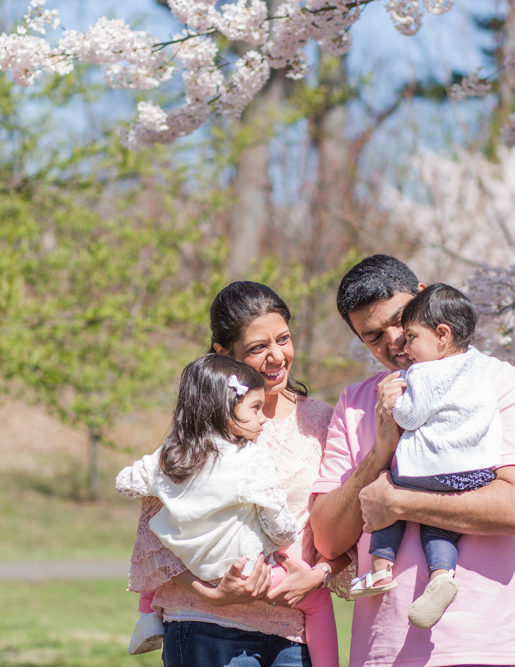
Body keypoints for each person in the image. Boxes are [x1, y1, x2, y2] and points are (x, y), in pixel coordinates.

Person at [310, 255, 515, 666]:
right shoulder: (354, 403)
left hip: (485, 651)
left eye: (400, 320)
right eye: (373, 336)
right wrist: (382, 448)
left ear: (424, 297)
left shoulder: (499, 383)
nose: (394, 341)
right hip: (381, 655)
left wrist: (399, 502)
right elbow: (328, 538)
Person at [125, 281, 348, 667]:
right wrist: (214, 594)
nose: (277, 356)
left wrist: (320, 574)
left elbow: (348, 519)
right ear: (223, 354)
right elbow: (157, 534)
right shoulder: (202, 428)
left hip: (295, 633)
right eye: (258, 347)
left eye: (283, 339)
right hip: (206, 625)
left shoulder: (322, 420)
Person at [349, 284, 504, 630]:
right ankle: (441, 575)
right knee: (439, 523)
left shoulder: (422, 371)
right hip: (475, 472)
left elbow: (410, 417)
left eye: (409, 334)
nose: (401, 345)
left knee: (390, 494)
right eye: (375, 337)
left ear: (442, 334)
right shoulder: (481, 366)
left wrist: (393, 404)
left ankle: (379, 568)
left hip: (427, 469)